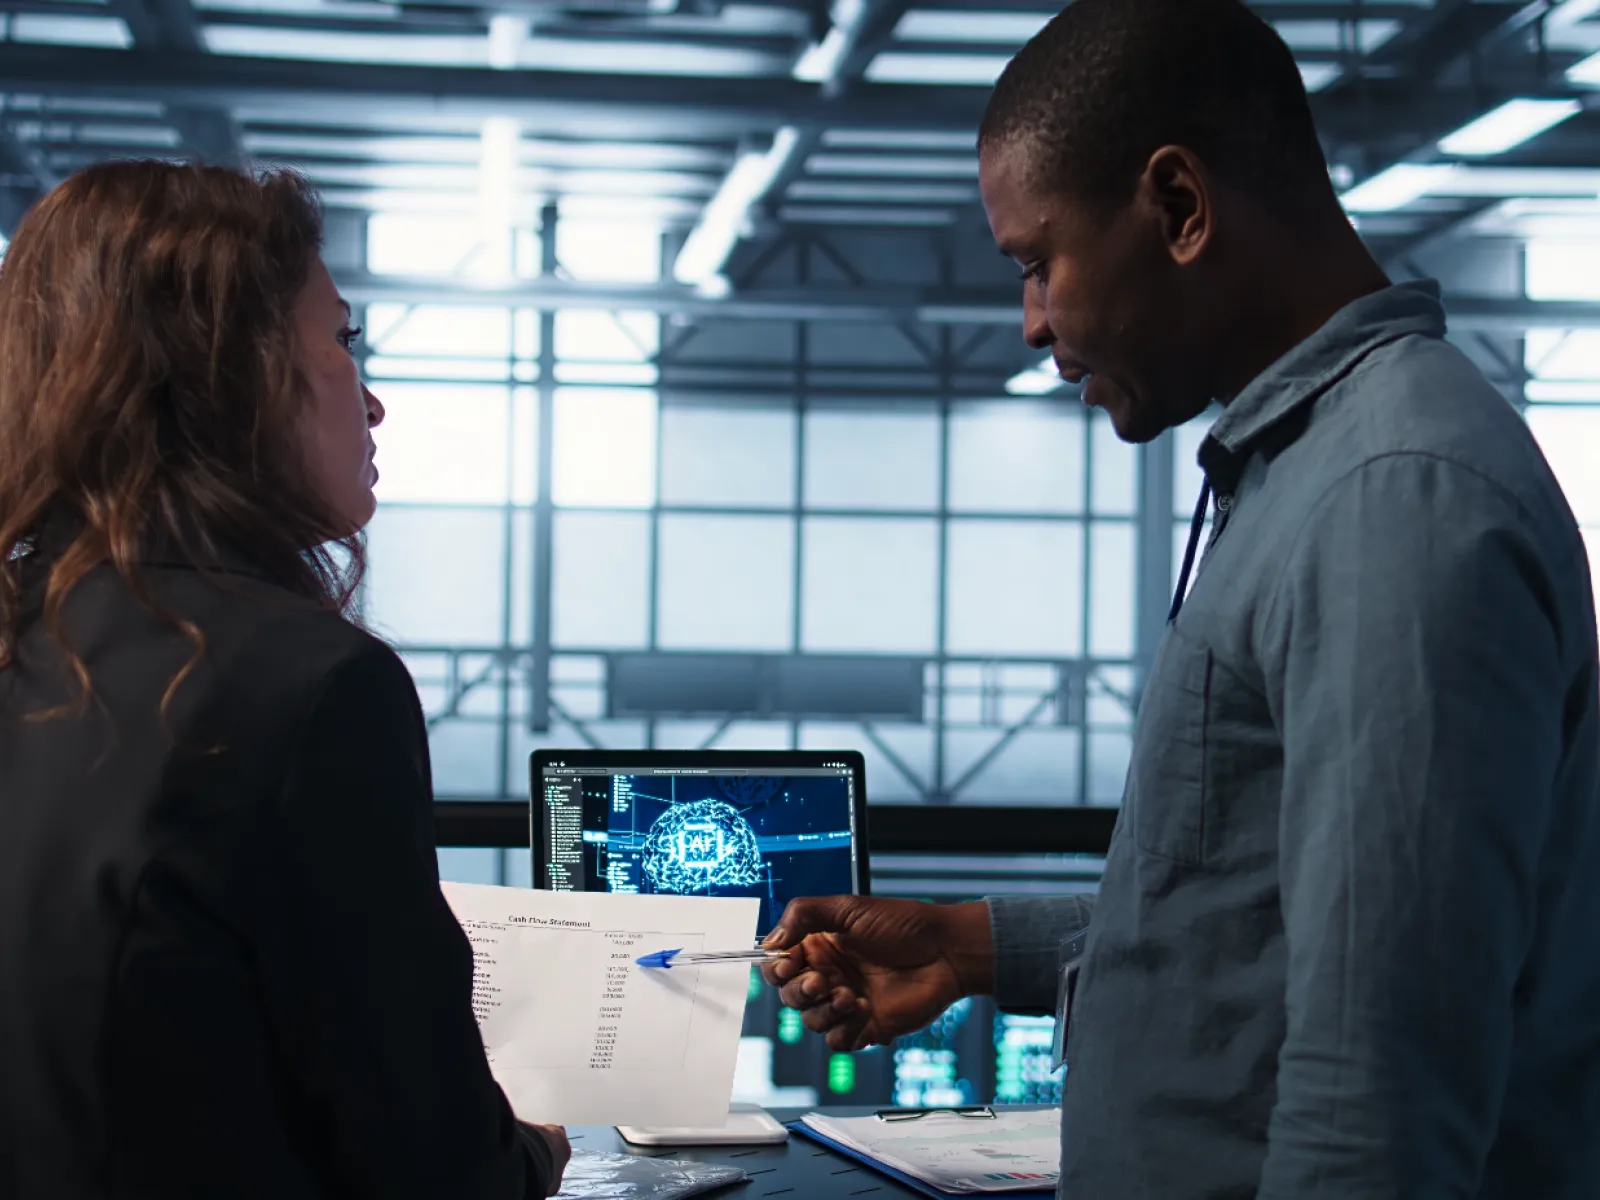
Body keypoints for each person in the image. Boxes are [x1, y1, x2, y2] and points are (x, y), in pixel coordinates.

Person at [763, 1, 1600, 1196]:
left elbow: (1375, 1104)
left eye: (1038, 263)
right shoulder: (1304, 473)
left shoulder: (1388, 501)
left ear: (1178, 206)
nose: (1034, 324)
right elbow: (1252, 924)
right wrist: (965, 946)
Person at [0, 161, 569, 1198]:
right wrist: (535, 1153)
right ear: (233, 373)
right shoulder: (304, 685)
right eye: (345, 344)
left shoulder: (26, 631)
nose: (377, 402)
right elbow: (428, 1162)